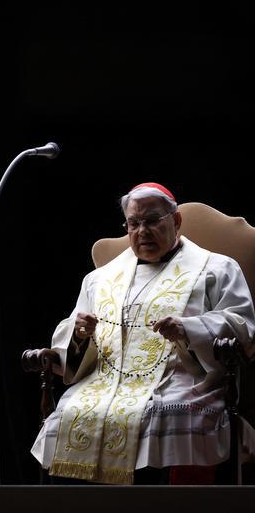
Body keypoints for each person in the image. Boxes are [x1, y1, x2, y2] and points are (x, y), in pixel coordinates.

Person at [31, 182, 255, 484]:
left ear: (175, 221)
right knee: (66, 416)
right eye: (134, 223)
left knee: (174, 415)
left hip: (182, 380)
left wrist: (189, 329)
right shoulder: (100, 279)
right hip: (105, 384)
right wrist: (80, 334)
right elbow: (70, 342)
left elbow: (241, 325)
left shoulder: (217, 269)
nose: (142, 231)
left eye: (152, 221)